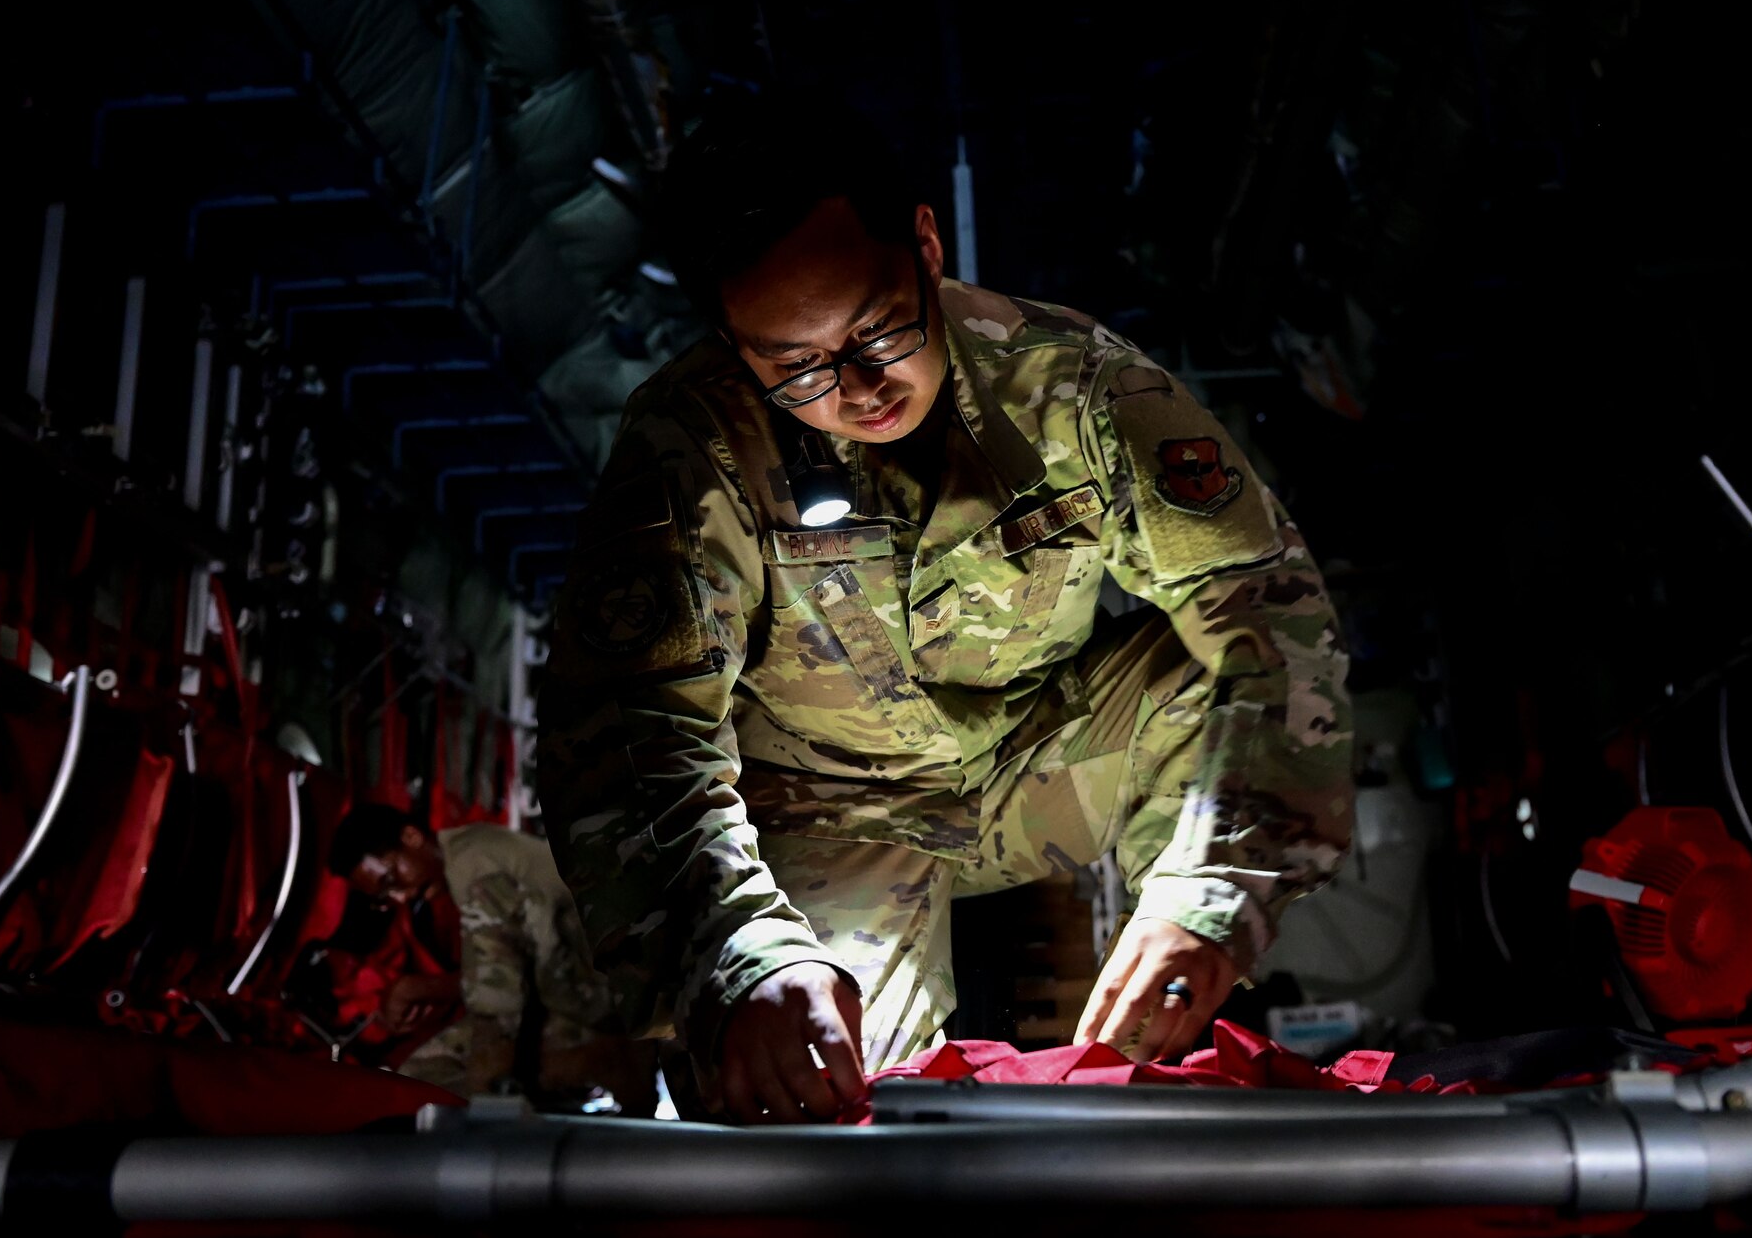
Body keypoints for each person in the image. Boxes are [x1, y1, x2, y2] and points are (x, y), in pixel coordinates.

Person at [537, 104, 1353, 1125]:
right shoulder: (688, 442)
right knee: (819, 1105)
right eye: (794, 366)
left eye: (878, 329)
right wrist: (740, 956)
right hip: (825, 801)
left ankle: (1166, 1072)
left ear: (924, 246)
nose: (856, 389)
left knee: (1208, 668)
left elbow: (1271, 619)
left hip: (1033, 763)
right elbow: (628, 733)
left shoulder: (1076, 384)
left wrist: (1212, 895)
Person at [325, 804, 649, 1107]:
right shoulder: (468, 849)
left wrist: (488, 1097)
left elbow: (499, 993)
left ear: (411, 837)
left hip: (611, 992)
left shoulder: (475, 869)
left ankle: (610, 1062)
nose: (400, 897)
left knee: (452, 1080)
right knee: (421, 1073)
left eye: (391, 880)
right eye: (384, 897)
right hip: (587, 982)